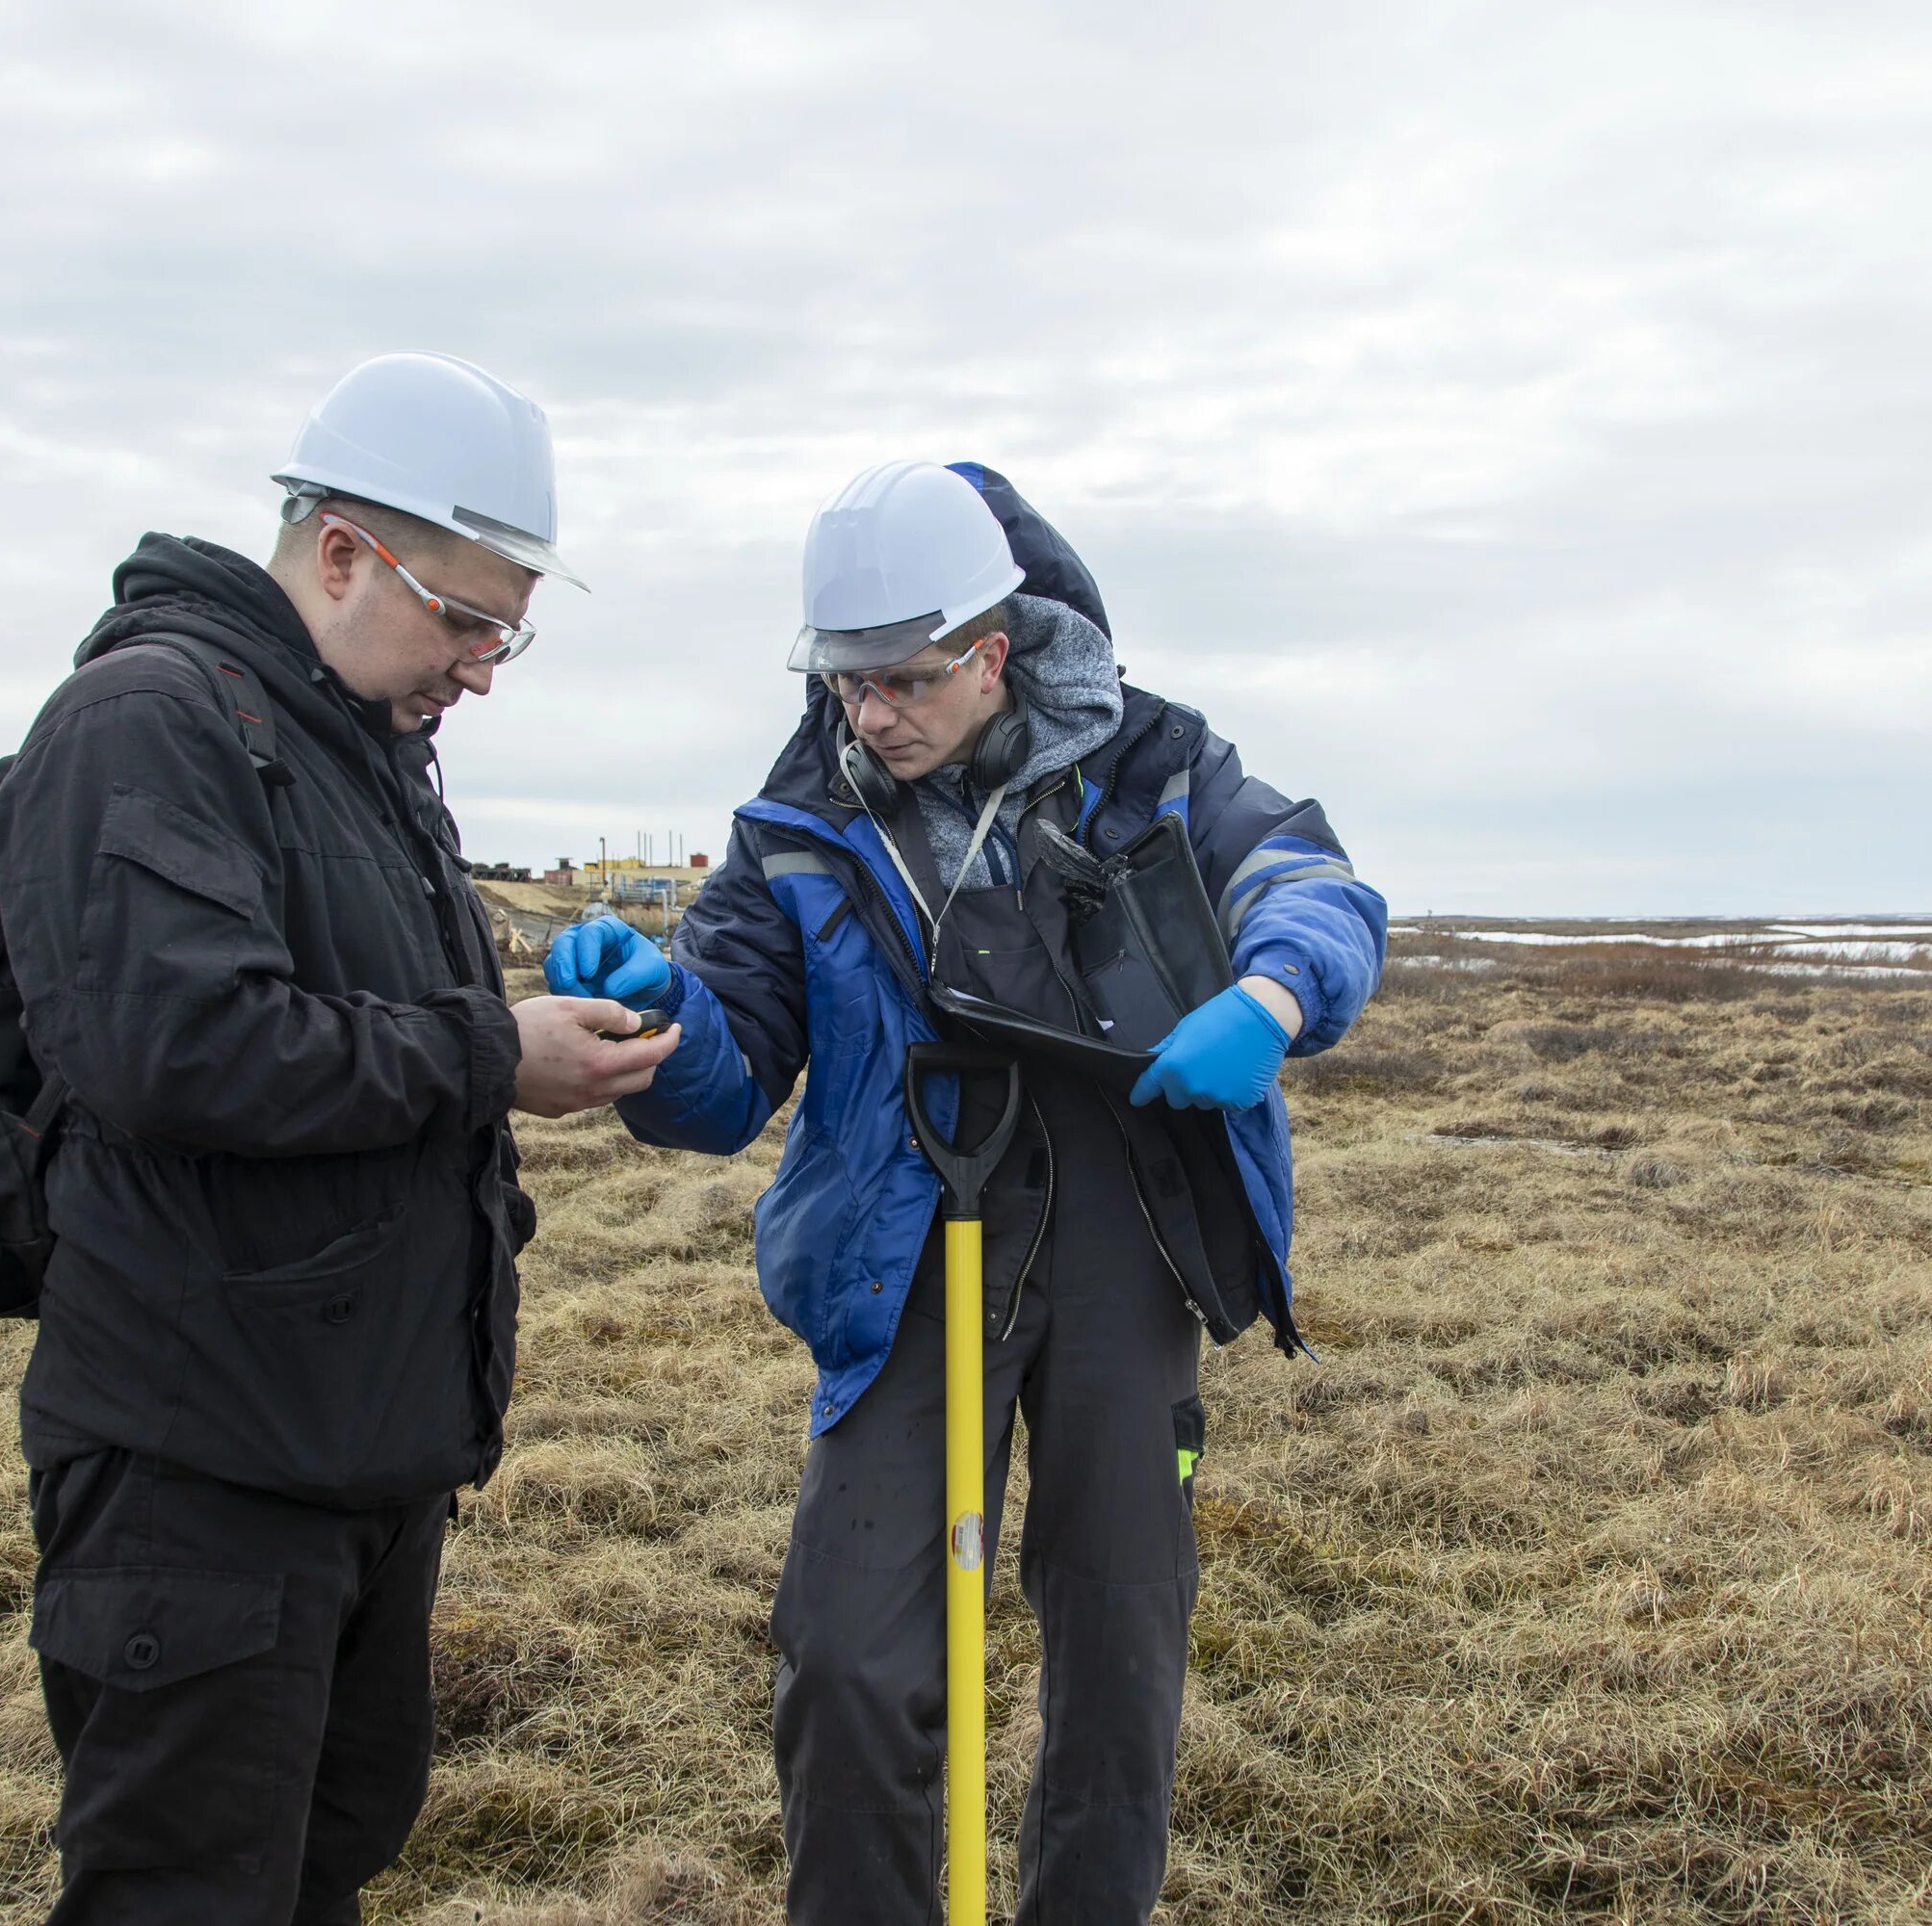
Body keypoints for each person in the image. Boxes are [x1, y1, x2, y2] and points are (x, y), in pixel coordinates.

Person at [547, 460, 1388, 1924]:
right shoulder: (800, 824)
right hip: (902, 1250)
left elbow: (1312, 881)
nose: (871, 715)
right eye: (844, 682)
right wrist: (661, 1019)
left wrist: (1272, 991)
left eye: (906, 681)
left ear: (993, 653)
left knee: (1122, 1654)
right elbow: (735, 1066)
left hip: (1130, 1243)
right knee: (855, 1664)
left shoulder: (1161, 764)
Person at [0, 351, 680, 1926]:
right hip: (201, 1474)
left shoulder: (354, 748)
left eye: (512, 628)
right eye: (468, 618)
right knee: (187, 1888)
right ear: (345, 553)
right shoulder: (146, 720)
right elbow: (182, 1047)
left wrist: (514, 1010)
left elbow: (355, 1026)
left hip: (353, 1462)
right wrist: (492, 1049)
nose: (487, 666)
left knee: (321, 1861)